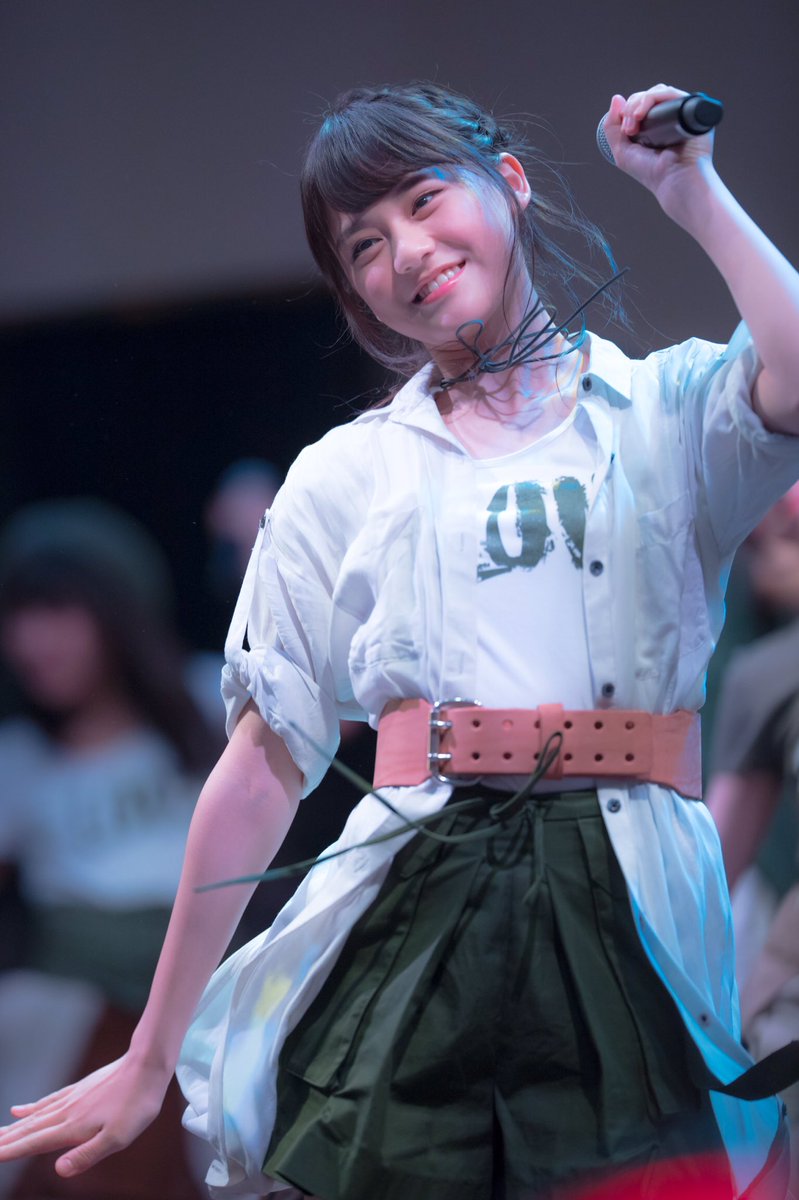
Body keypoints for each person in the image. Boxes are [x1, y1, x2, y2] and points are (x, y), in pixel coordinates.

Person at [1, 81, 798, 1200]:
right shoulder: (347, 473)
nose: (407, 253)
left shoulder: (663, 412)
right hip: (422, 904)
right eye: (364, 245)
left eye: (425, 202)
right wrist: (148, 1056)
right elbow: (259, 767)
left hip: (627, 902)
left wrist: (690, 190)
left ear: (510, 183)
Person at [0, 498, 219, 1198]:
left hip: (210, 992)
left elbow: (348, 710)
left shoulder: (209, 700)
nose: (32, 640)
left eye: (58, 611)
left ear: (117, 611)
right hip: (73, 1011)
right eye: (18, 615)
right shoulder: (20, 760)